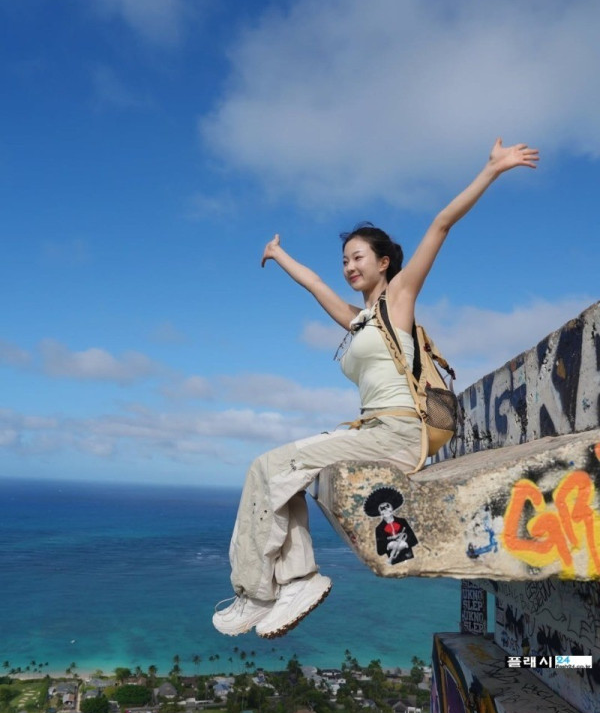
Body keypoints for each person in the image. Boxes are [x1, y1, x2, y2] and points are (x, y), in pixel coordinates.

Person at [213, 137, 538, 639]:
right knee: (279, 474)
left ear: (384, 262)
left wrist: (492, 169)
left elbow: (441, 224)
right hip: (374, 431)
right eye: (344, 260)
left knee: (266, 466)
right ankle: (292, 580)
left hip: (397, 433)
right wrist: (278, 254)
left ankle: (265, 591)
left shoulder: (399, 297)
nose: (349, 267)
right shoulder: (360, 320)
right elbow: (315, 285)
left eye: (358, 257)